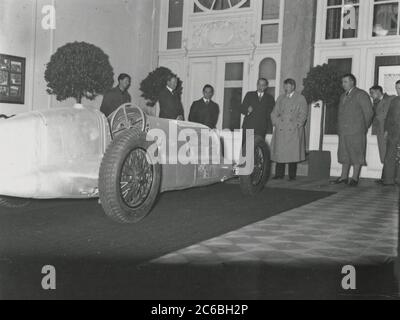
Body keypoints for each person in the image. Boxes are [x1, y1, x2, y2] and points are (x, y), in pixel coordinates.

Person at [332, 74, 374, 187]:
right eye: (342, 82)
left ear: (352, 82)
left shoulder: (361, 94)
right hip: (344, 132)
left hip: (356, 131)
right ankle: (343, 177)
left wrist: (363, 128)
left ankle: (354, 178)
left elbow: (369, 113)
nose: (343, 84)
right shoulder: (342, 96)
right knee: (344, 154)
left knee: (356, 154)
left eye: (345, 82)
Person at [271, 79, 308, 181]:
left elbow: (303, 113)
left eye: (288, 86)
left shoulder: (300, 98)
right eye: (285, 86)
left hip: (293, 129)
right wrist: (276, 122)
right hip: (281, 128)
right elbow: (274, 112)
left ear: (293, 87)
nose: (286, 88)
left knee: (293, 153)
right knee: (280, 152)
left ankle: (292, 175)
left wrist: (298, 123)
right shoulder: (280, 98)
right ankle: (279, 174)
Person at [369, 85, 395, 184]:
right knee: (384, 155)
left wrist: (388, 130)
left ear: (378, 91)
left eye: (372, 93)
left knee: (388, 155)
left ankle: (388, 179)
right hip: (380, 132)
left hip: (388, 131)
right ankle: (385, 178)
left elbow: (391, 116)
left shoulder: (391, 99)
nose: (371, 95)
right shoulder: (375, 102)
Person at [382, 80, 400, 186]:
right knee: (389, 157)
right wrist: (386, 130)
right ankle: (388, 180)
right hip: (393, 134)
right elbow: (388, 117)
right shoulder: (394, 101)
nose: (398, 90)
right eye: (397, 88)